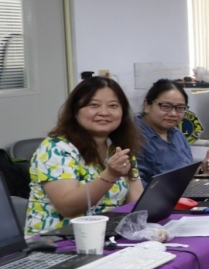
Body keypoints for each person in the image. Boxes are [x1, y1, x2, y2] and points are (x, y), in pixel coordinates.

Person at [25, 77, 145, 237]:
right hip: (57, 241)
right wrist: (110, 175)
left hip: (107, 236)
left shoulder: (118, 148)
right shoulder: (55, 148)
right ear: (75, 111)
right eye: (94, 105)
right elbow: (68, 207)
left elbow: (136, 205)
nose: (104, 112)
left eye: (113, 106)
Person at [136, 79, 209, 183]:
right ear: (147, 105)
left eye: (180, 108)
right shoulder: (134, 137)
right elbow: (136, 186)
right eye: (165, 106)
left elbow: (183, 172)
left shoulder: (176, 133)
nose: (173, 114)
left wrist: (202, 170)